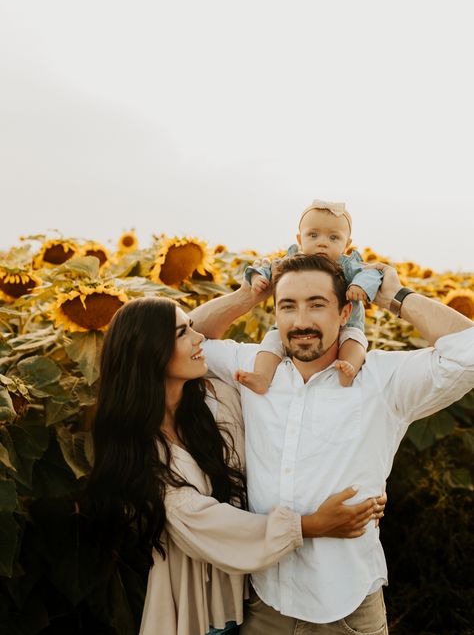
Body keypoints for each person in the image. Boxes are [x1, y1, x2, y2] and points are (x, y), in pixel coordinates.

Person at [190, 253, 474, 634]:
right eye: (287, 306)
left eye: (317, 305)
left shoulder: (382, 379)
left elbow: (468, 355)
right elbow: (179, 337)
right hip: (264, 603)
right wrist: (247, 295)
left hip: (345, 608)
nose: (301, 321)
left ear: (345, 313)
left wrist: (393, 295)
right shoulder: (253, 368)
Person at [86, 296, 385, 635]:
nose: (200, 339)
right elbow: (204, 521)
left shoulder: (215, 398)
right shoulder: (139, 448)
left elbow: (291, 432)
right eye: (183, 332)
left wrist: (253, 291)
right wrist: (312, 525)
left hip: (255, 595)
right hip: (199, 612)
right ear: (148, 351)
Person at [241, 199, 382, 393]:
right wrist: (257, 278)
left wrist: (360, 285)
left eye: (333, 238)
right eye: (313, 235)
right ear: (300, 240)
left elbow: (372, 273)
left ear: (347, 244)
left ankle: (348, 369)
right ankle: (262, 376)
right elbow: (265, 268)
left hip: (348, 322)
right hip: (289, 327)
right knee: (271, 341)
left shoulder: (349, 265)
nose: (322, 243)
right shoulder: (292, 262)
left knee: (354, 340)